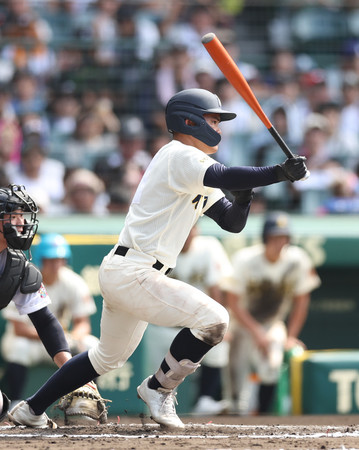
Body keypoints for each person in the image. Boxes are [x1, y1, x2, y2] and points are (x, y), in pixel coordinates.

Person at [8, 88, 309, 430]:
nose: (219, 129)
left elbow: (232, 222)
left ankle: (30, 409)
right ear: (190, 120)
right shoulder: (178, 154)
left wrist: (245, 197)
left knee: (105, 357)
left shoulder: (193, 167)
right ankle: (157, 388)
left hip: (129, 272)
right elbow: (225, 175)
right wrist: (279, 173)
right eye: (213, 120)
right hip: (136, 270)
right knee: (213, 319)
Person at [226, 211, 321, 415]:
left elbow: (302, 300)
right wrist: (257, 332)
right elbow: (233, 302)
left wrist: (291, 336)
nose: (280, 242)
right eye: (275, 237)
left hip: (272, 323)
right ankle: (235, 411)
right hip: (241, 324)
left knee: (272, 366)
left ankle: (261, 415)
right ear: (265, 238)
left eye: (284, 237)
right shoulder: (246, 259)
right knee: (237, 378)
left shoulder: (297, 259)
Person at [145, 225, 232, 415]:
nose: (187, 233)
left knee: (219, 345)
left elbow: (216, 287)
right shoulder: (159, 249)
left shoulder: (208, 247)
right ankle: (159, 406)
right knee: (159, 376)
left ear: (197, 230)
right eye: (183, 228)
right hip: (164, 326)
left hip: (197, 326)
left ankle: (205, 399)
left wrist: (219, 325)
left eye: (191, 228)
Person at [1, 233, 98, 405]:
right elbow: (19, 329)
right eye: (51, 260)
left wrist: (73, 338)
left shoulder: (72, 281)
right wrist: (54, 336)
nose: (56, 264)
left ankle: (87, 400)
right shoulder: (24, 276)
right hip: (28, 340)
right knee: (19, 347)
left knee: (91, 345)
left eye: (60, 259)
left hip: (58, 341)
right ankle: (15, 401)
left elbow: (82, 323)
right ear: (41, 259)